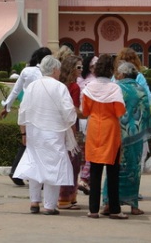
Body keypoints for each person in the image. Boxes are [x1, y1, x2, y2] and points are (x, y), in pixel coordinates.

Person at [12, 55, 77, 215]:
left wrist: (25, 132)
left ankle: (34, 202)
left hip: (34, 132)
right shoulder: (60, 87)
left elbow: (23, 110)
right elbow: (69, 112)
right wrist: (70, 122)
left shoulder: (32, 86)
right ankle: (49, 205)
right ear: (55, 69)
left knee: (35, 165)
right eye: (59, 69)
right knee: (52, 168)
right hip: (54, 132)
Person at [102, 60, 151, 216]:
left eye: (118, 73)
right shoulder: (141, 90)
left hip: (116, 134)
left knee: (113, 170)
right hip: (135, 136)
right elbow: (147, 115)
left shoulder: (115, 88)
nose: (116, 75)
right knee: (133, 170)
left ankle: (107, 203)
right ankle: (133, 205)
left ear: (123, 74)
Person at [81, 53, 127, 219]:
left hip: (94, 127)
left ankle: (93, 209)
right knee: (113, 171)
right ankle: (114, 209)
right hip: (110, 128)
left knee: (94, 170)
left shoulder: (89, 87)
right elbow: (119, 111)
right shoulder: (114, 88)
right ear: (112, 69)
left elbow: (85, 111)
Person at [0, 46, 52, 186]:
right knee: (38, 142)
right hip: (41, 110)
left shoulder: (26, 71)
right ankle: (30, 173)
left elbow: (15, 90)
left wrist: (7, 107)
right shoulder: (46, 74)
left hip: (27, 109)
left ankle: (17, 170)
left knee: (27, 141)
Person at [55, 53, 84, 210]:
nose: (81, 70)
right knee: (73, 162)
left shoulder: (59, 85)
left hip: (57, 127)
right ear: (71, 69)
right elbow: (71, 110)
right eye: (78, 67)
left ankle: (66, 196)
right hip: (70, 127)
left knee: (65, 162)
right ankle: (66, 197)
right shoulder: (73, 87)